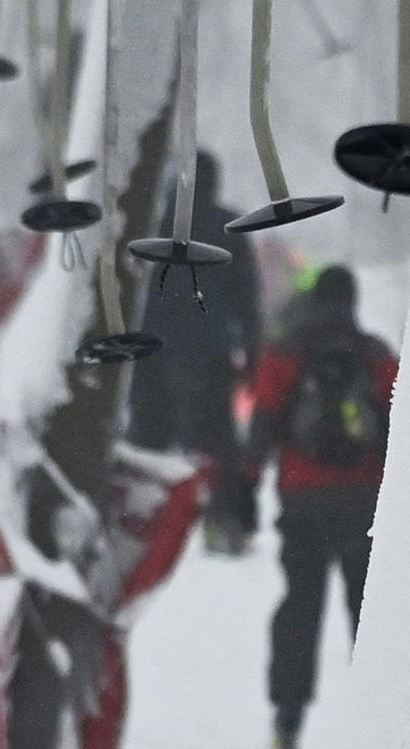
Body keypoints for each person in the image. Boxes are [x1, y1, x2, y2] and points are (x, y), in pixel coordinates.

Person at [239, 265, 395, 749]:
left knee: (300, 610)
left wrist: (243, 489)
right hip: (364, 505)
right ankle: (378, 725)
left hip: (303, 502)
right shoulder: (375, 355)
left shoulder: (287, 353)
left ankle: (288, 721)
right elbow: (401, 426)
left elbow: (261, 423)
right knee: (369, 616)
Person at [129, 153, 266, 552]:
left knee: (147, 438)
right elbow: (247, 297)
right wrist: (252, 355)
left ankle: (139, 523)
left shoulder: (153, 222)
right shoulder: (229, 227)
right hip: (209, 351)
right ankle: (224, 524)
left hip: (151, 350)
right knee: (216, 441)